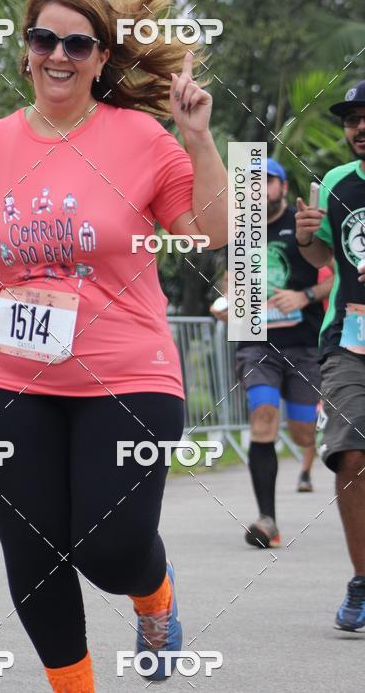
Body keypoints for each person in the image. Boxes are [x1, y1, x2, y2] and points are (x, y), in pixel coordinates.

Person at [0, 0, 227, 691]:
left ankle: (155, 594)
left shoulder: (141, 137)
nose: (59, 56)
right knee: (35, 556)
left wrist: (198, 140)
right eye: (45, 39)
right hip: (5, 379)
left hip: (127, 377)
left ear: (102, 58)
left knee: (109, 550)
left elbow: (210, 230)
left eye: (78, 44)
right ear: (26, 50)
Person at [212, 158, 333, 548]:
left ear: (282, 187)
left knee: (301, 433)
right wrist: (225, 306)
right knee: (263, 417)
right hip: (256, 343)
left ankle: (310, 448)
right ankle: (267, 521)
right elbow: (229, 286)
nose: (258, 189)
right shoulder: (239, 235)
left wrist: (304, 295)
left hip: (303, 344)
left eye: (267, 181)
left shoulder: (303, 229)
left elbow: (335, 275)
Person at [295, 81, 365, 632]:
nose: (359, 128)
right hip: (349, 339)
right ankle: (362, 583)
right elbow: (325, 255)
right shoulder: (337, 183)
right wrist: (305, 239)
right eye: (352, 119)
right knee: (349, 453)